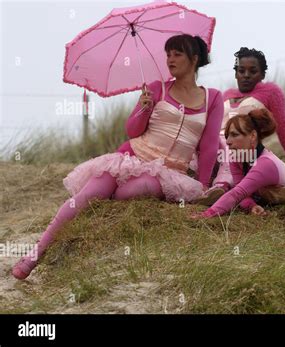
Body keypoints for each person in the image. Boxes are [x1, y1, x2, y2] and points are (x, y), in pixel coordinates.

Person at [12, 34, 224, 280]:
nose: (170, 59)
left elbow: (208, 146)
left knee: (138, 188)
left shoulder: (213, 98)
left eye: (177, 54)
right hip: (131, 156)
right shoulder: (157, 88)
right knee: (85, 197)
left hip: (169, 171)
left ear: (194, 59)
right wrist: (144, 107)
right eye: (168, 54)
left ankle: (108, 195)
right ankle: (33, 256)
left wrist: (205, 185)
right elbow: (132, 130)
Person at [195, 47, 285, 205]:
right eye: (241, 71)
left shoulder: (271, 92)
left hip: (243, 147)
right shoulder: (226, 94)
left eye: (253, 71)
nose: (246, 75)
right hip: (216, 145)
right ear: (236, 73)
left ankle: (221, 187)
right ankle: (199, 186)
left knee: (230, 143)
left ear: (262, 74)